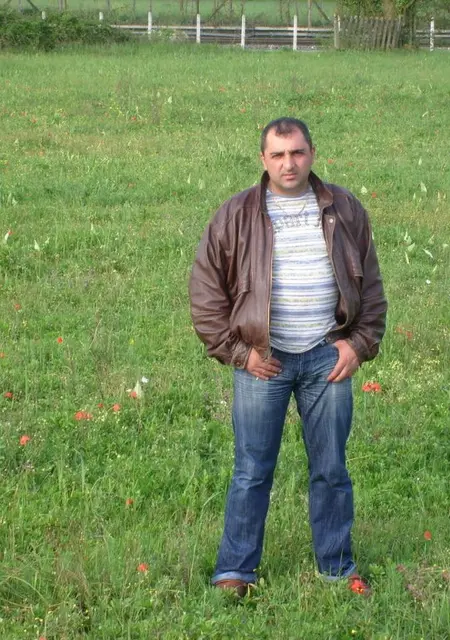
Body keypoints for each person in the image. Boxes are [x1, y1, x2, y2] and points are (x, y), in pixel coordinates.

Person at [189, 117, 387, 597]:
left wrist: (358, 344)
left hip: (327, 357)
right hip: (263, 361)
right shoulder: (235, 214)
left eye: (297, 152)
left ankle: (336, 567)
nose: (289, 163)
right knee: (252, 470)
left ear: (312, 153)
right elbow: (205, 292)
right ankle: (235, 571)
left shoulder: (345, 209)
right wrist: (240, 353)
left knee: (331, 468)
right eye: (278, 155)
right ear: (263, 159)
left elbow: (371, 287)